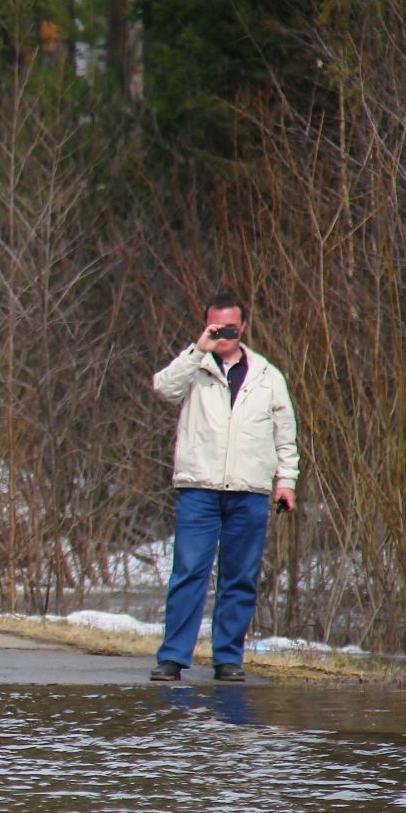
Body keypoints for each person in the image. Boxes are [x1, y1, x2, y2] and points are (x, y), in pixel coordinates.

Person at [148, 292, 299, 683]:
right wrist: (198, 349)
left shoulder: (268, 375)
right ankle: (173, 659)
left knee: (240, 577)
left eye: (230, 327)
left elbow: (285, 437)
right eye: (216, 327)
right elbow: (163, 388)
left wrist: (286, 483)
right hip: (199, 488)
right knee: (188, 573)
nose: (224, 334)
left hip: (249, 490)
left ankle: (228, 659)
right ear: (206, 326)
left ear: (243, 326)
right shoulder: (193, 366)